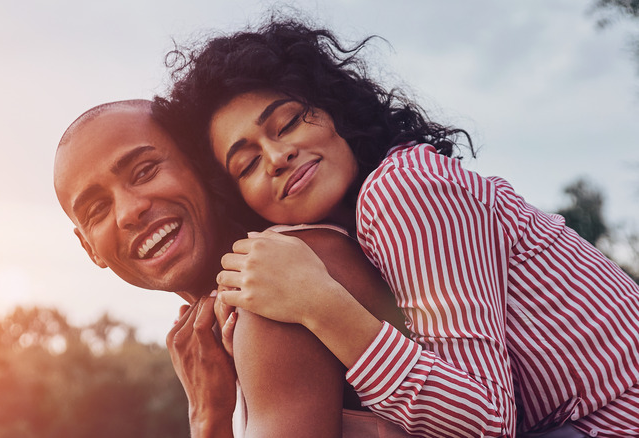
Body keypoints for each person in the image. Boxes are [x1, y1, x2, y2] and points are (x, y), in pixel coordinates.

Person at [155, 18, 639, 437]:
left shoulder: (401, 188)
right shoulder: (353, 235)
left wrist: (320, 304)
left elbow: (489, 421)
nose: (278, 156)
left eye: (288, 123)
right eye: (247, 164)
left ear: (332, 110)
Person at [52, 99, 411, 437]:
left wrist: (207, 421)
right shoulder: (231, 315)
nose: (129, 212)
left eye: (145, 171)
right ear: (89, 248)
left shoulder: (274, 288)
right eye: (97, 210)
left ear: (203, 164)